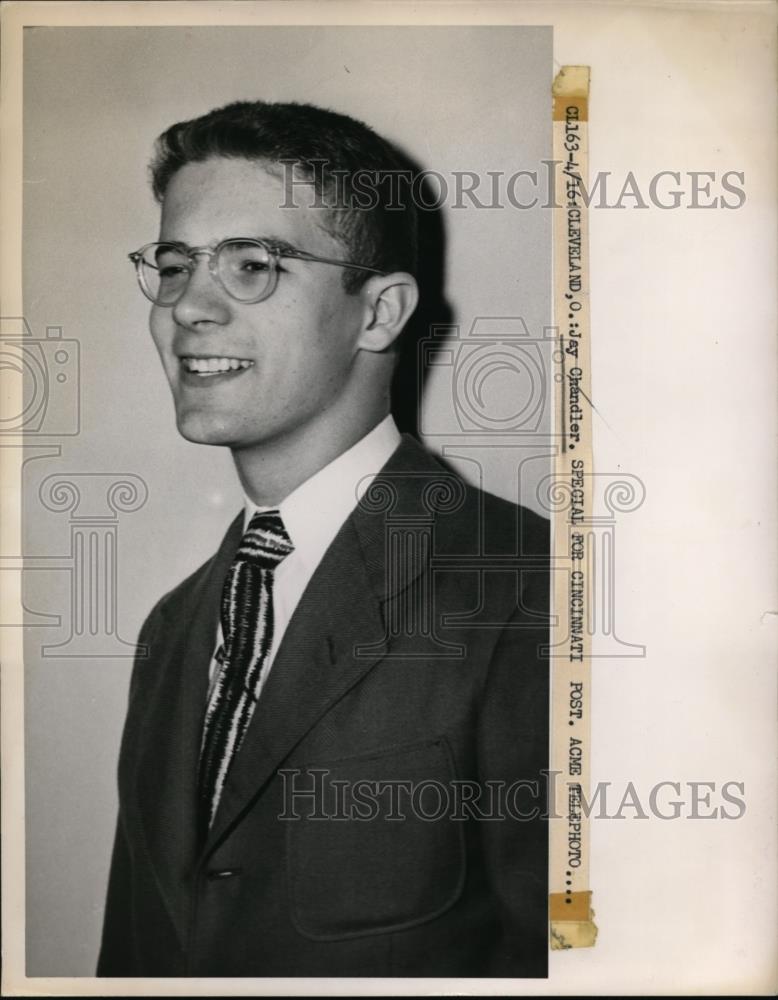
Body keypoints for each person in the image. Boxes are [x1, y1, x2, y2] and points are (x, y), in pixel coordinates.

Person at [98, 100, 550, 979]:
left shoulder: (527, 591)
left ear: (379, 313)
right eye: (175, 263)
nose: (189, 306)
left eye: (253, 265)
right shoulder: (174, 627)